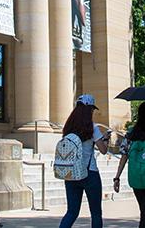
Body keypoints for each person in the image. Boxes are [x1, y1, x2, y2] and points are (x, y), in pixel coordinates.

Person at [59, 94, 110, 228]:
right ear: (89, 109)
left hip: (71, 172)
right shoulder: (92, 128)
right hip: (89, 172)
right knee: (96, 213)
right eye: (92, 109)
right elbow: (103, 150)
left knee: (71, 212)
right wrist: (105, 139)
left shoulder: (68, 128)